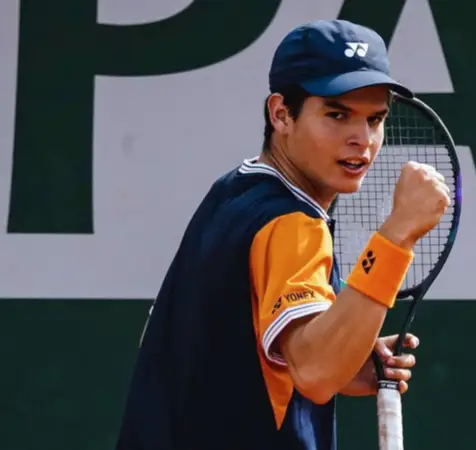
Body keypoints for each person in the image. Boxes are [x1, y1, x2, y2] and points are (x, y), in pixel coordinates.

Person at [115, 19, 451, 450]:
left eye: (375, 119)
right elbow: (315, 372)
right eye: (337, 115)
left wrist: (347, 357)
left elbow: (238, 354)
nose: (361, 139)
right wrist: (397, 235)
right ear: (281, 114)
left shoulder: (233, 192)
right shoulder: (292, 224)